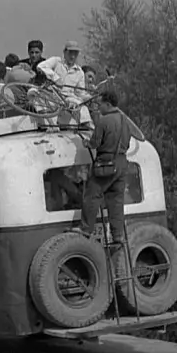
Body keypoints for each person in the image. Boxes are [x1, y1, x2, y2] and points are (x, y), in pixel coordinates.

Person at [72, 89, 131, 245]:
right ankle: (117, 235)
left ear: (107, 104)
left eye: (100, 105)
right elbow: (129, 143)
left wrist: (86, 143)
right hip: (122, 163)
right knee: (116, 201)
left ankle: (85, 229)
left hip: (105, 163)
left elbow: (95, 143)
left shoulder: (104, 121)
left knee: (92, 194)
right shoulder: (125, 120)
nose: (98, 108)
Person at [36, 41, 91, 126]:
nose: (72, 56)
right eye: (70, 53)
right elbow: (41, 66)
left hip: (68, 99)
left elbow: (80, 93)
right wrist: (55, 78)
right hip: (52, 95)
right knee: (38, 98)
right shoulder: (56, 61)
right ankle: (48, 125)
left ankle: (87, 129)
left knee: (82, 108)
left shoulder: (80, 72)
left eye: (75, 53)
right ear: (65, 52)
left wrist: (88, 97)